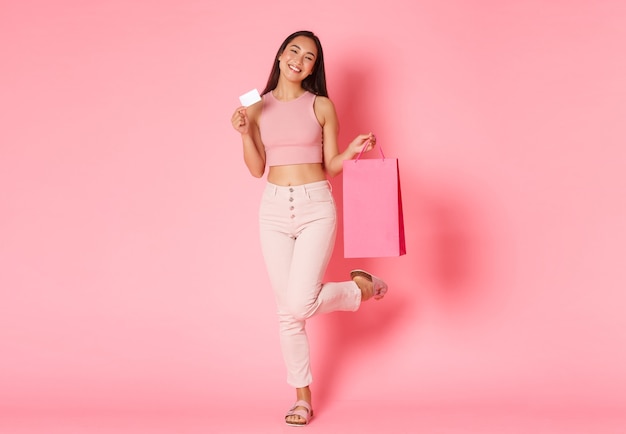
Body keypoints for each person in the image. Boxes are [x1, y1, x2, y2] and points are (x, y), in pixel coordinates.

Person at [230, 30, 388, 427]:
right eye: (294, 51)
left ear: (314, 67)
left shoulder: (321, 106)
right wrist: (245, 132)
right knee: (289, 312)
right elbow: (255, 169)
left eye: (310, 57)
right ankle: (302, 399)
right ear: (281, 54)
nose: (300, 60)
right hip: (273, 211)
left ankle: (362, 289)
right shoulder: (255, 104)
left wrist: (349, 153)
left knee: (298, 303)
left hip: (316, 204)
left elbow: (331, 165)